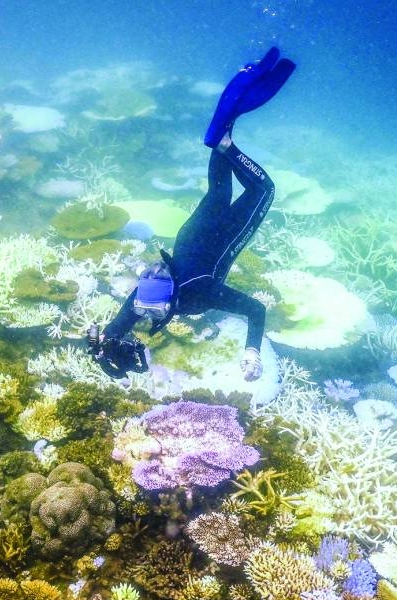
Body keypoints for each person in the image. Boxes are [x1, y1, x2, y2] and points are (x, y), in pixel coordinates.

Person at [90, 47, 296, 382]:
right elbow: (119, 324)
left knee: (263, 191)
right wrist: (104, 345)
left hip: (218, 237)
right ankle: (223, 134)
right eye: (146, 311)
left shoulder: (200, 296)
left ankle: (226, 144)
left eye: (148, 310)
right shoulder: (149, 292)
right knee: (219, 191)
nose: (143, 313)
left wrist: (251, 353)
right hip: (190, 236)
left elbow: (256, 310)